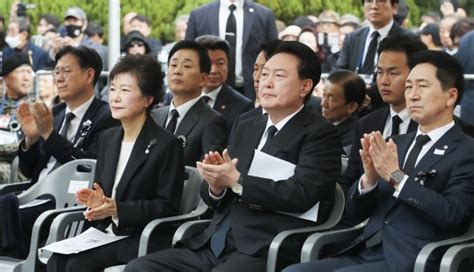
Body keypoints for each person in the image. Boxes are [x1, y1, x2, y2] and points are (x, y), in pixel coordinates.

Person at [125, 41, 342, 272]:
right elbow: (217, 192)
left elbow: (302, 194)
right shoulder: (248, 123)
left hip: (266, 246)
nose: (265, 82)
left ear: (305, 86)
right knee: (139, 268)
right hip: (214, 240)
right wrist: (215, 185)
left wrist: (237, 181)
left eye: (279, 76)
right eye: (264, 73)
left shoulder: (320, 133)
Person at [284, 49, 474, 272]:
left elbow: (454, 215)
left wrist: (396, 177)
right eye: (409, 86)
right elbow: (355, 213)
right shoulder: (396, 142)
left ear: (451, 96)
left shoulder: (466, 150)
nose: (412, 95)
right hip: (365, 249)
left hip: (414, 258)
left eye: (422, 86)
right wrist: (369, 179)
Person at [47, 54, 185, 272]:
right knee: (56, 259)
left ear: (148, 99)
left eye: (125, 90)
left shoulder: (167, 144)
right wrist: (95, 200)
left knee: (77, 264)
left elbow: (166, 206)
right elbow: (101, 190)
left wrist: (118, 209)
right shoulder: (108, 138)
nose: (115, 98)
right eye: (112, 89)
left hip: (140, 236)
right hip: (103, 232)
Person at [13, 46, 118, 258]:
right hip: (35, 196)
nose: (59, 78)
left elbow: (89, 167)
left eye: (66, 71)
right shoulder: (57, 113)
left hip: (68, 204)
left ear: (89, 74)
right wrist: (32, 139)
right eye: (56, 72)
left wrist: (49, 135)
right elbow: (28, 170)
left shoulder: (106, 117)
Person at [340, 34, 425, 195]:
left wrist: (393, 174)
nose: (384, 81)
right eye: (379, 72)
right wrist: (368, 182)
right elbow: (350, 180)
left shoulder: (432, 126)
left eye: (393, 73)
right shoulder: (366, 123)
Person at [150, 40, 228, 167]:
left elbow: (208, 175)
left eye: (186, 66)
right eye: (173, 65)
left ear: (203, 79)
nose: (177, 71)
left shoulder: (211, 122)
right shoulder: (155, 116)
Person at [185, 0, 278, 101]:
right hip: (208, 91)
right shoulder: (199, 14)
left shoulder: (263, 14)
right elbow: (188, 55)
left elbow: (274, 54)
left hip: (250, 90)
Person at [335, 0, 413, 74]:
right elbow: (339, 72)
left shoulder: (408, 39)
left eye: (381, 1)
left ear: (394, 7)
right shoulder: (352, 38)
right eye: (369, 1)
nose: (374, 6)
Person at [196, 35, 253, 130]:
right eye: (208, 63)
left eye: (220, 63)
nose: (213, 70)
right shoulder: (179, 97)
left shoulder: (243, 106)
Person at [0, 54, 32, 184]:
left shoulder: (36, 108)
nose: (26, 77)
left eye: (29, 72)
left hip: (18, 168)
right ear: (6, 78)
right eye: (20, 72)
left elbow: (25, 145)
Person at [321, 70, 367, 155]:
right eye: (323, 95)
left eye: (331, 99)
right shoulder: (315, 120)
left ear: (351, 107)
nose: (323, 103)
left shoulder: (352, 141)